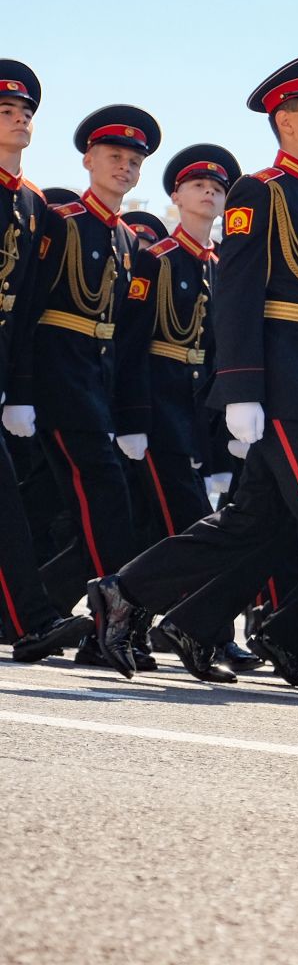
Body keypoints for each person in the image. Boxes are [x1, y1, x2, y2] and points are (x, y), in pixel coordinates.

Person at [91, 51, 298, 706]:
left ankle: (133, 594)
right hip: (280, 383)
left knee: (253, 523)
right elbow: (235, 293)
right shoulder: (261, 191)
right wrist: (241, 389)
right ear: (286, 121)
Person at [23, 107, 159, 617]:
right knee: (102, 496)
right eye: (113, 156)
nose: (124, 167)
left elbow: (124, 336)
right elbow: (32, 306)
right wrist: (19, 387)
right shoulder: (61, 224)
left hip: (94, 381)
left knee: (57, 501)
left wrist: (129, 416)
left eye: (132, 161)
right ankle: (115, 619)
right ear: (88, 160)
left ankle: (29, 606)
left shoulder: (128, 242)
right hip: (57, 375)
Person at [114, 144, 243, 675]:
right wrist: (132, 419)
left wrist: (217, 439)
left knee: (159, 527)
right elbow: (132, 344)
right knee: (187, 523)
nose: (209, 194)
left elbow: (215, 357)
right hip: (158, 406)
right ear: (177, 196)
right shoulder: (157, 258)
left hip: (193, 412)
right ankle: (201, 633)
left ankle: (127, 629)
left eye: (217, 189)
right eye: (198, 187)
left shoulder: (220, 267)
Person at [0, 59, 93, 663]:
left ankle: (27, 621)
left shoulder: (34, 205)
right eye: (6, 111)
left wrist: (17, 389)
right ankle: (27, 620)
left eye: (26, 112)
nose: (19, 119)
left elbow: (27, 306)